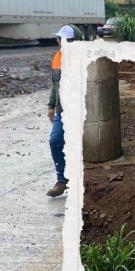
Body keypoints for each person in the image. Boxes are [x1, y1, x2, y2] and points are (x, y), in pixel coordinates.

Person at [47, 25, 75, 197]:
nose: (61, 42)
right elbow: (54, 85)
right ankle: (62, 180)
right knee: (55, 140)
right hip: (61, 111)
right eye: (60, 38)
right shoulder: (57, 57)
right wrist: (51, 106)